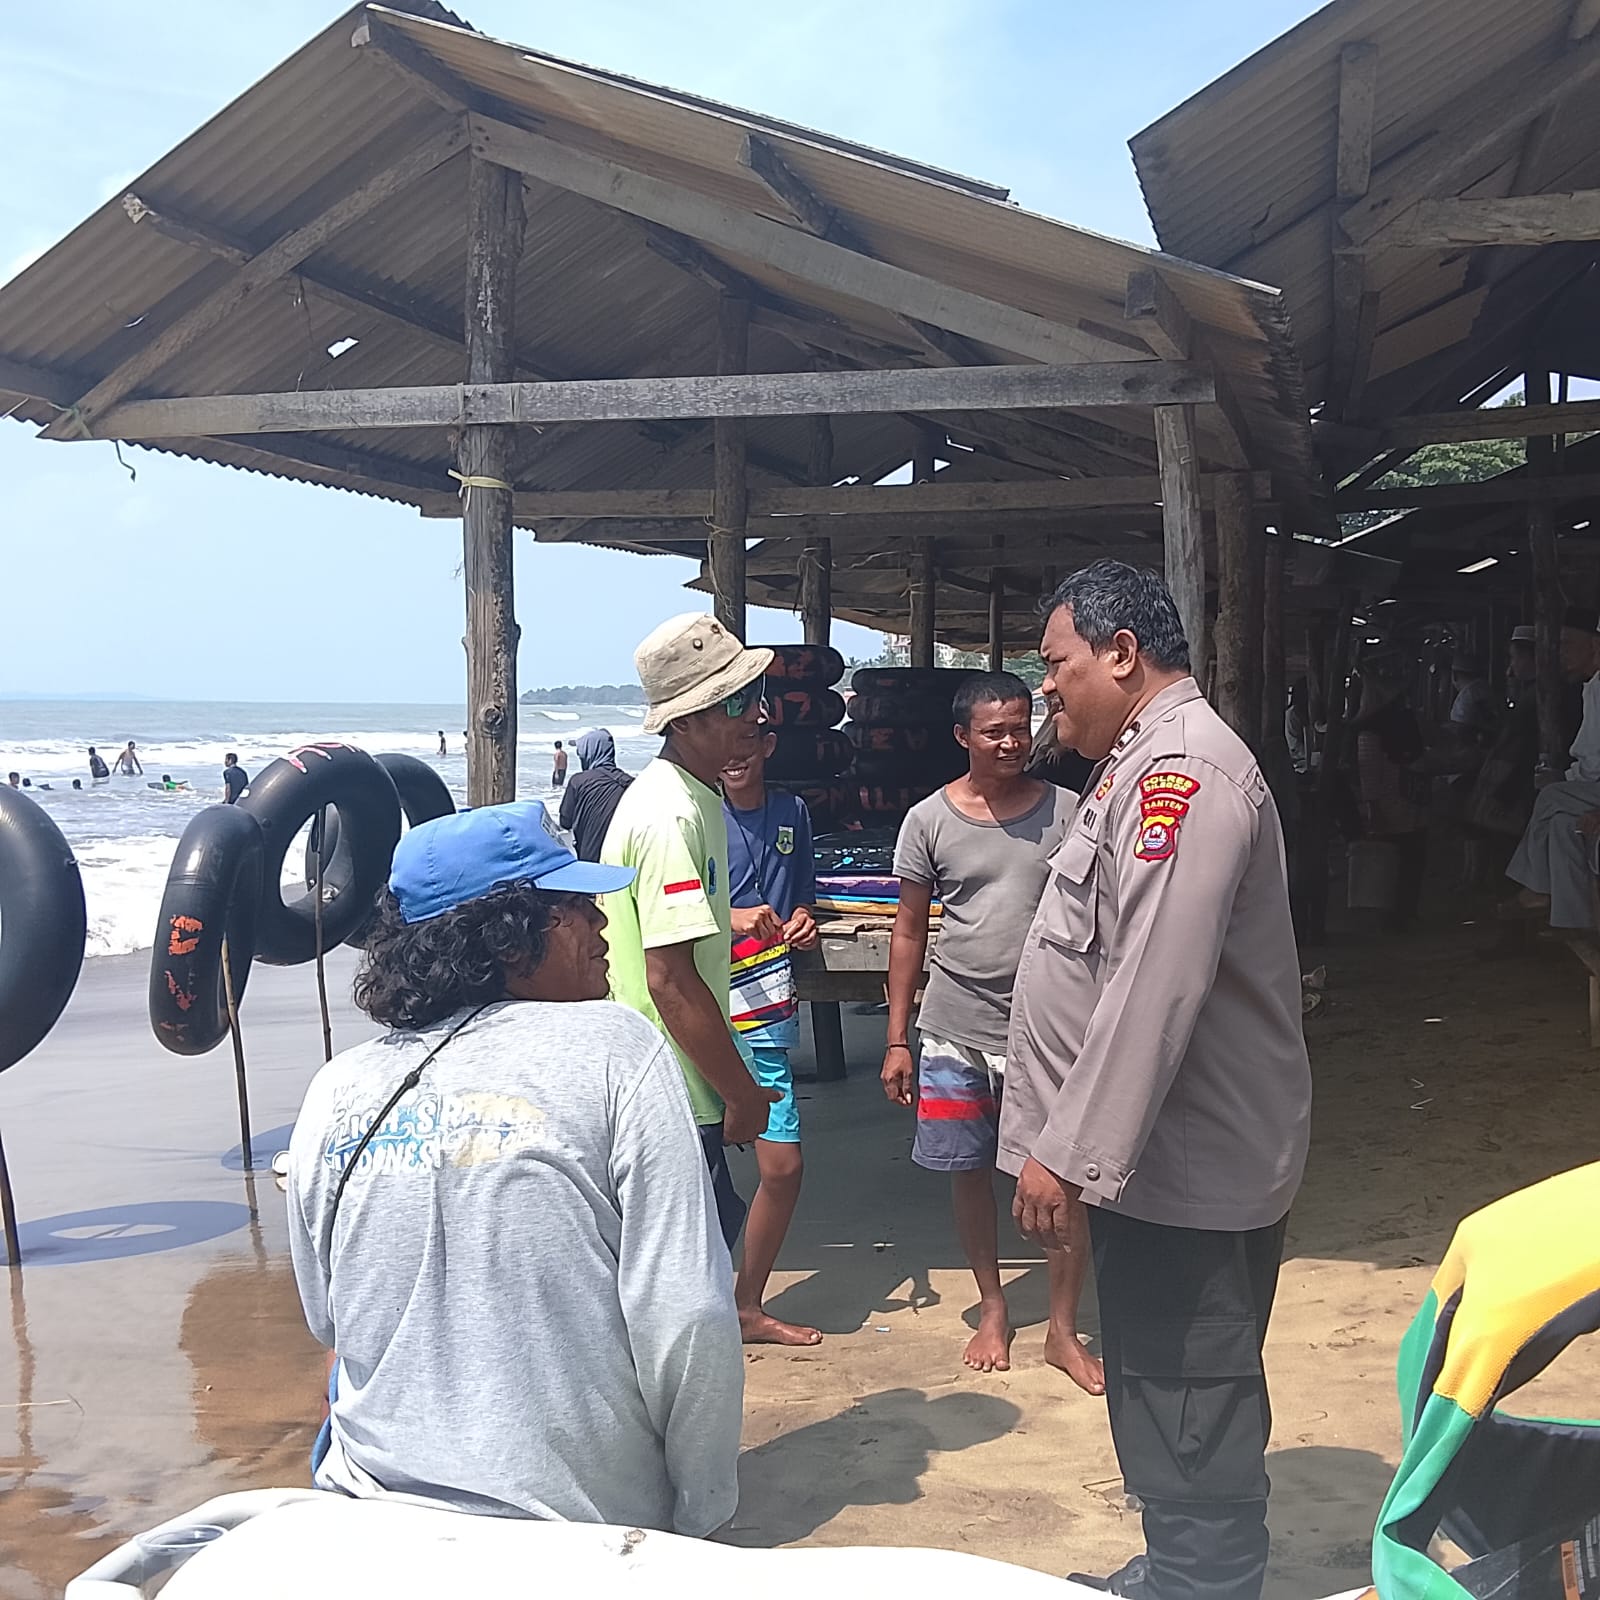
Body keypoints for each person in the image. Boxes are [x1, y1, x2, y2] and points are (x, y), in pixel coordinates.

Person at [285, 801, 742, 1534]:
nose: (601, 923)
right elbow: (689, 1316)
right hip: (574, 1520)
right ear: (505, 934)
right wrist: (702, 1507)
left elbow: (327, 1316)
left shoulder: (335, 1087)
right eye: (574, 906)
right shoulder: (619, 1048)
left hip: (369, 1504)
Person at [999, 561, 1311, 1600]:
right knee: (1161, 1390)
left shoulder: (1185, 772)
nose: (1046, 687)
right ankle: (1175, 1566)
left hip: (1186, 1170)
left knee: (1192, 1413)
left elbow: (1152, 986)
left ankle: (1201, 1580)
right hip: (1153, 1168)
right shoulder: (1134, 766)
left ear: (1122, 653)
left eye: (1058, 664)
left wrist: (1066, 1150)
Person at [882, 671, 1102, 1388]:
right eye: (994, 732)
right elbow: (909, 931)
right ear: (963, 737)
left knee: (1062, 1176)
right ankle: (993, 1304)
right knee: (967, 1169)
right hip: (954, 1025)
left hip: (1048, 1028)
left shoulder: (1067, 810)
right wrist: (897, 1039)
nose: (1010, 743)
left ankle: (1063, 1328)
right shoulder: (928, 820)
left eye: (1019, 727)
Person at [600, 613, 778, 1250]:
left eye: (754, 694)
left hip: (676, 1077)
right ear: (683, 721)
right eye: (733, 701)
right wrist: (741, 1094)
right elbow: (668, 979)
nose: (754, 714)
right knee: (681, 1269)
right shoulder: (670, 815)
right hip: (667, 1084)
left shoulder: (696, 795)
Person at [722, 723, 821, 1346]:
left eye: (747, 743)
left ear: (768, 745)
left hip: (767, 1004)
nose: (735, 757)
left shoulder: (792, 812)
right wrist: (731, 916)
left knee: (782, 1166)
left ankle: (746, 1304)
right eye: (725, 744)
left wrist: (805, 917)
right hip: (703, 1003)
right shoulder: (696, 812)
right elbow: (656, 903)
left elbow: (804, 891)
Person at [1505, 607, 1600, 930]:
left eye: (1568, 643)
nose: (1560, 652)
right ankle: (1573, 923)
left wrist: (1566, 783)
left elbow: (1594, 763)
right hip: (1590, 786)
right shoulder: (1591, 686)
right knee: (1562, 824)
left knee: (1550, 797)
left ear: (1595, 645)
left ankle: (1537, 886)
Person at [1351, 658, 1429, 931]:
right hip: (1413, 800)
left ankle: (1392, 914)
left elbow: (1369, 775)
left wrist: (1372, 809)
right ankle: (1406, 912)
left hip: (1390, 803)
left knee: (1392, 863)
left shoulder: (1369, 732)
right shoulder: (1406, 723)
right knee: (1411, 861)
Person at [559, 728, 634, 861]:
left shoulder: (578, 781)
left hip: (590, 862)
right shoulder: (630, 784)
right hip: (624, 862)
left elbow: (565, 822)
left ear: (590, 753)